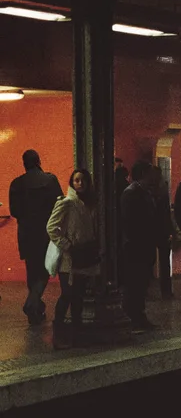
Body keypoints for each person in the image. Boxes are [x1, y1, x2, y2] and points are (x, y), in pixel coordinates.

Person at [9, 149, 63, 326]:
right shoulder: (50, 180)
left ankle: (36, 309)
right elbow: (59, 205)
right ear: (39, 161)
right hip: (45, 231)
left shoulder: (16, 184)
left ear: (24, 163)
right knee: (45, 270)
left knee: (31, 271)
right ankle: (31, 303)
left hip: (25, 233)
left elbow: (14, 211)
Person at [46, 169, 99, 349]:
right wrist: (67, 245)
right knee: (67, 294)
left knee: (78, 297)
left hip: (84, 256)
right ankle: (59, 333)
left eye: (83, 180)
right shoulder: (67, 203)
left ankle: (77, 334)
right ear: (71, 182)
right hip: (69, 259)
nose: (80, 183)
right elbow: (51, 227)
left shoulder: (90, 204)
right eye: (76, 180)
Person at [120, 161, 162, 330]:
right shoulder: (132, 193)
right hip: (137, 246)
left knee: (141, 283)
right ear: (144, 173)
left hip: (143, 245)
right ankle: (134, 317)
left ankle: (138, 315)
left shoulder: (143, 191)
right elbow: (131, 222)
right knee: (135, 284)